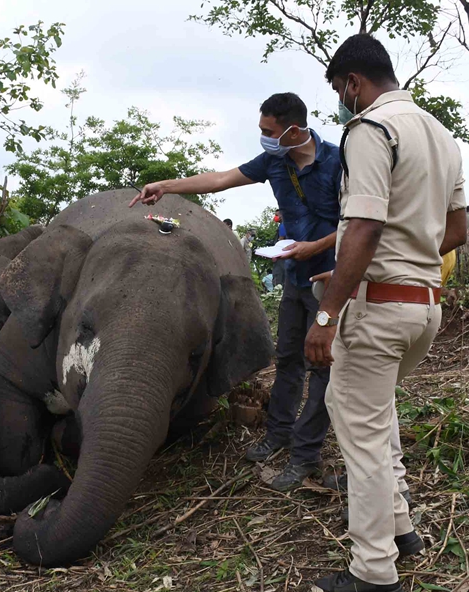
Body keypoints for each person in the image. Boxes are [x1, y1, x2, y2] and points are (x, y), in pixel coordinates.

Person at [305, 34, 466, 592]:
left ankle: (375, 571)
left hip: (378, 309)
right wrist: (407, 258)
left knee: (362, 436)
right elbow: (455, 232)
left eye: (339, 91)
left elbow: (365, 227)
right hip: (424, 308)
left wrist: (326, 314)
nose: (342, 102)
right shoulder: (441, 135)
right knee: (372, 416)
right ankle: (401, 527)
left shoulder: (371, 130)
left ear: (352, 83)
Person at [130, 92, 342, 492]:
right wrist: (168, 186)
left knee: (322, 368)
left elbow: (358, 222)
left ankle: (305, 454)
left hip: (330, 280)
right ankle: (279, 433)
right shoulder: (274, 162)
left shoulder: (338, 161)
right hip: (295, 277)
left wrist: (317, 248)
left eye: (269, 131)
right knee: (288, 359)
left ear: (293, 130)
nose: (263, 137)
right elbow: (221, 179)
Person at [272, 211, 287, 289]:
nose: (275, 217)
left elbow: (281, 240)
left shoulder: (283, 226)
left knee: (278, 276)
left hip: (280, 256)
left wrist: (274, 254)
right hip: (285, 255)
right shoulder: (287, 225)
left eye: (276, 215)